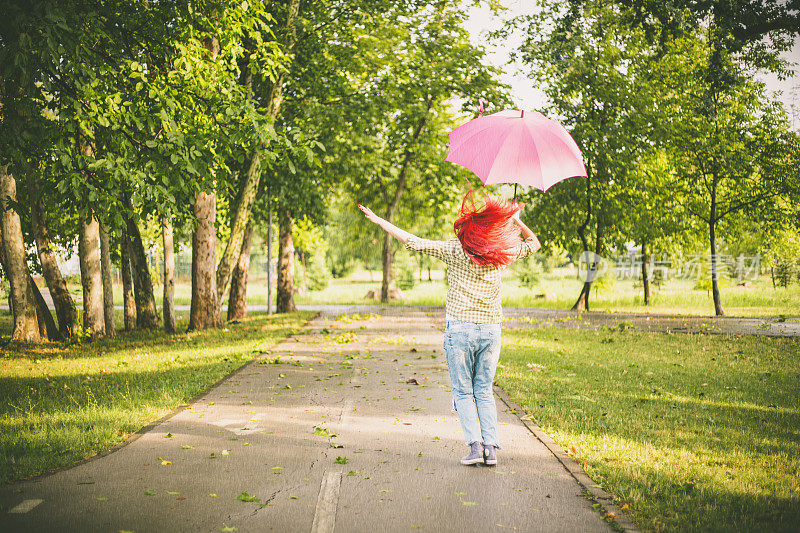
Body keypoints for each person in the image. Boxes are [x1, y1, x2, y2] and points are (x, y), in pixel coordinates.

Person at [358, 190, 541, 466]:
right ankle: (490, 449)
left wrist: (380, 221)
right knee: (484, 390)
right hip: (490, 332)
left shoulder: (454, 250)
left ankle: (475, 447)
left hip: (461, 331)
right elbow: (534, 244)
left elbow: (412, 242)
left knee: (464, 391)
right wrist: (515, 220)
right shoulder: (499, 255)